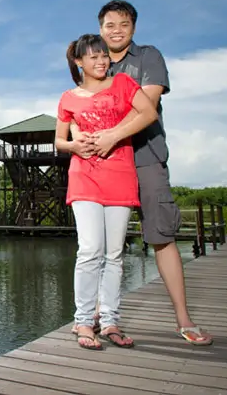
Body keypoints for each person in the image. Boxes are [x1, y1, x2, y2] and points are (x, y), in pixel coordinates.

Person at [72, 0, 214, 346]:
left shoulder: (148, 57)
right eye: (109, 24)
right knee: (102, 246)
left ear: (133, 28)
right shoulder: (95, 61)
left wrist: (110, 136)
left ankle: (183, 318)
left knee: (161, 233)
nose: (116, 30)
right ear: (100, 28)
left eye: (123, 24)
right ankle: (99, 315)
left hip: (145, 156)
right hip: (104, 165)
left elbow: (146, 108)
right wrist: (80, 138)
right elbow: (75, 109)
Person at [55, 33, 159, 350]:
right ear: (79, 62)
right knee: (90, 250)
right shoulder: (68, 98)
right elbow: (60, 141)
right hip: (84, 176)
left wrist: (113, 136)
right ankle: (84, 321)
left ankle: (110, 320)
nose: (101, 61)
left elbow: (148, 113)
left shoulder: (124, 84)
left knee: (114, 254)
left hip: (120, 175)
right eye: (94, 57)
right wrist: (73, 145)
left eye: (104, 56)